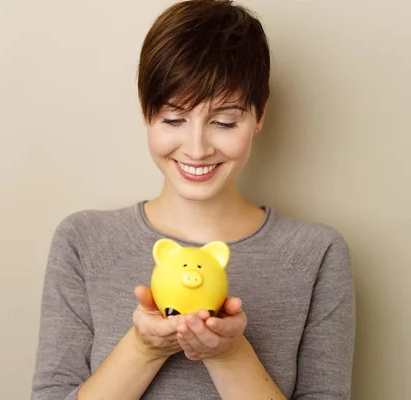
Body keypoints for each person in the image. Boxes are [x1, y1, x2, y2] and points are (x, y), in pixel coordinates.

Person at [30, 0, 356, 399]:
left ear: (259, 115)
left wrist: (230, 354)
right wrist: (144, 347)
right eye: (173, 119)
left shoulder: (316, 254)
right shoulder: (83, 241)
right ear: (146, 112)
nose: (197, 148)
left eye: (223, 121)